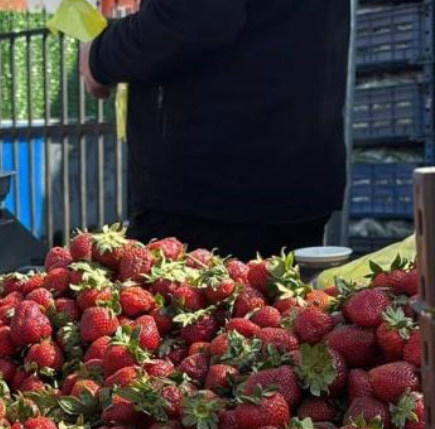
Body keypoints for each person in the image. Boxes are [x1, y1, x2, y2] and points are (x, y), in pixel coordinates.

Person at [79, 0, 350, 258]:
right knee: (287, 299)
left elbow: (194, 16)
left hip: (209, 186)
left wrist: (98, 57)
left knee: (182, 301)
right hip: (298, 171)